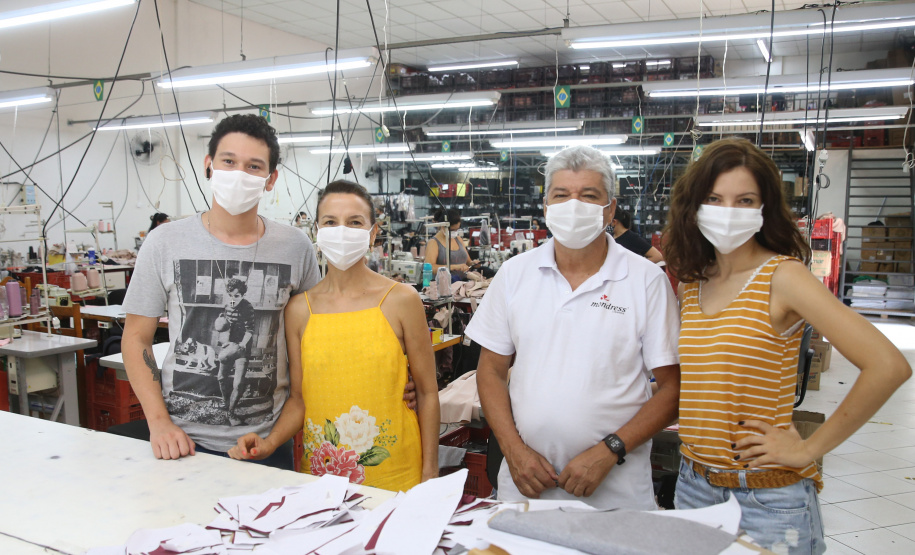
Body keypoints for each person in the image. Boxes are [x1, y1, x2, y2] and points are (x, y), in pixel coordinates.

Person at [663, 138, 911, 554]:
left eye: (744, 200)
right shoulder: (693, 282)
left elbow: (888, 365)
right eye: (714, 198)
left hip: (764, 497)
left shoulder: (783, 276)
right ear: (695, 206)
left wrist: (809, 448)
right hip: (694, 486)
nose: (728, 212)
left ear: (764, 209)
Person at [466, 145, 681, 510]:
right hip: (526, 486)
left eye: (589, 195)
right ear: (547, 206)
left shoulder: (645, 280)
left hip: (616, 491)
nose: (574, 205)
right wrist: (513, 450)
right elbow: (490, 370)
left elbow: (673, 389)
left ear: (609, 209)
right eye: (562, 195)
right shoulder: (515, 274)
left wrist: (610, 450)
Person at [287, 180, 439, 491]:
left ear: (372, 233)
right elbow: (298, 399)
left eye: (354, 222)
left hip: (399, 472)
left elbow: (427, 393)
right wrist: (267, 443)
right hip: (322, 476)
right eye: (331, 222)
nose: (342, 230)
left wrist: (430, 474)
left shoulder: (402, 300)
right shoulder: (299, 311)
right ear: (317, 231)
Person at [424, 208, 481, 280]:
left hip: (463, 282)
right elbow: (430, 268)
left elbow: (468, 262)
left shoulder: (458, 239)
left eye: (457, 229)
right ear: (443, 226)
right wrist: (455, 267)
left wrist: (473, 263)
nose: (455, 232)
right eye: (452, 230)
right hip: (444, 285)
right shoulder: (433, 243)